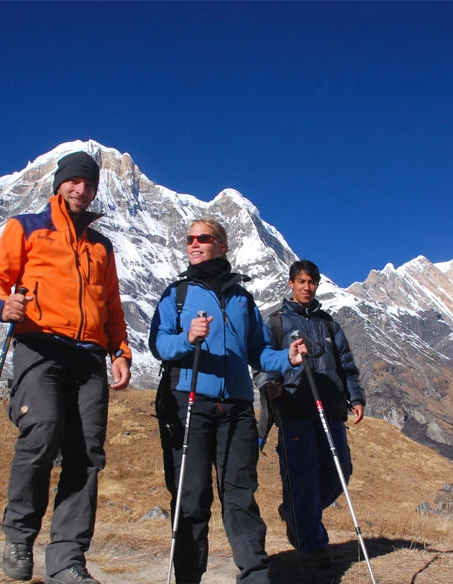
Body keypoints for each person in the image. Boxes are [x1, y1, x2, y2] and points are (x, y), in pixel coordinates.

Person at [0, 151, 132, 584]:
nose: (82, 189)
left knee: (86, 455)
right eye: (75, 181)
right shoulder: (27, 227)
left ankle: (67, 559)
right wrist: (2, 304)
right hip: (39, 343)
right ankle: (19, 536)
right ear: (59, 183)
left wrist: (121, 352)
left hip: (89, 355)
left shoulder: (102, 246)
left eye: (90, 184)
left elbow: (112, 307)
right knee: (42, 430)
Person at [148, 219, 305, 584]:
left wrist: (288, 359)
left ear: (222, 245)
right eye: (189, 239)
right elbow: (159, 345)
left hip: (235, 410)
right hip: (189, 405)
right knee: (190, 497)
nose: (194, 244)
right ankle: (188, 576)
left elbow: (259, 352)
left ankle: (254, 575)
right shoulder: (177, 294)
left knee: (240, 495)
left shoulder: (241, 299)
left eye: (203, 238)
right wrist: (187, 338)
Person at [253, 259, 365, 569]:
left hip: (330, 409)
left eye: (311, 282)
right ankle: (313, 545)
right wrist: (271, 384)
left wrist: (355, 396)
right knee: (302, 476)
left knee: (339, 471)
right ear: (291, 283)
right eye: (301, 281)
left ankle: (294, 513)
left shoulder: (329, 323)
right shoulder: (275, 322)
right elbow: (262, 361)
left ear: (317, 285)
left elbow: (346, 365)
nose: (306, 287)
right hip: (293, 407)